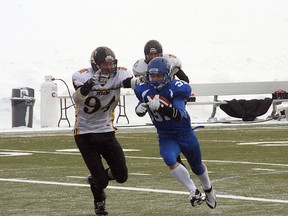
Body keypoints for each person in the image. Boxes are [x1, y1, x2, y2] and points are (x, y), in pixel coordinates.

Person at [134, 57, 217, 209]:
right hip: (166, 135)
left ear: (168, 75)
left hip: (184, 133)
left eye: (159, 76)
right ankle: (193, 191)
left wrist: (161, 107)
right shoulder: (143, 89)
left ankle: (209, 189)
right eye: (153, 76)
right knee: (169, 158)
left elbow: (179, 114)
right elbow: (143, 105)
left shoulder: (177, 88)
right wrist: (139, 110)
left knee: (197, 166)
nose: (156, 79)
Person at [72, 46, 138, 215]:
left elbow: (128, 83)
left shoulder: (120, 73)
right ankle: (98, 196)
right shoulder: (81, 75)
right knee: (101, 181)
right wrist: (91, 83)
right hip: (84, 133)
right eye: (104, 64)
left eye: (111, 64)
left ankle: (96, 177)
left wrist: (139, 83)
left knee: (122, 176)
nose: (109, 67)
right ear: (95, 64)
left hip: (106, 129)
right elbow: (78, 97)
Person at [133, 39, 189, 167]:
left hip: (171, 97)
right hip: (153, 98)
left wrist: (182, 93)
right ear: (145, 56)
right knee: (164, 128)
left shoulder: (170, 61)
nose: (153, 57)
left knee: (179, 124)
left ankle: (185, 150)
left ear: (161, 54)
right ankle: (176, 158)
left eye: (156, 54)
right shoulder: (139, 67)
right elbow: (139, 88)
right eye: (150, 55)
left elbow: (185, 79)